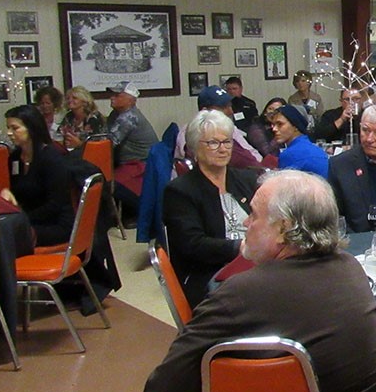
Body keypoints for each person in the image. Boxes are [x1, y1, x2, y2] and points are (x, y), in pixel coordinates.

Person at [131, 170, 376, 392]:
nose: (245, 223)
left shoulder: (241, 294)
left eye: (254, 215)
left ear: (283, 229)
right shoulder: (351, 268)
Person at [162, 110, 260, 307]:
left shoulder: (247, 180)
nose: (223, 149)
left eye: (227, 142)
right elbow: (193, 245)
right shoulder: (180, 191)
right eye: (213, 143)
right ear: (195, 148)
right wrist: (240, 247)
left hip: (255, 264)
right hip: (209, 273)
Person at [0, 105, 74, 246]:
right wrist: (8, 195)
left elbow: (55, 205)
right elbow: (18, 194)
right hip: (30, 220)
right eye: (8, 128)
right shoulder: (15, 158)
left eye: (15, 128)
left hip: (56, 224)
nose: (9, 133)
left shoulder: (51, 158)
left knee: (2, 239)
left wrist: (21, 219)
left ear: (31, 129)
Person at [105, 81, 159, 217]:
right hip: (127, 162)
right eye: (112, 94)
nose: (112, 97)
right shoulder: (115, 114)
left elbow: (108, 143)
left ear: (131, 99)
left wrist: (79, 144)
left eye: (117, 95)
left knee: (107, 184)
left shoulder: (129, 117)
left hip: (141, 163)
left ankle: (145, 211)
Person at [174, 86, 261, 169]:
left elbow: (253, 154)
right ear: (205, 111)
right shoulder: (190, 132)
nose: (231, 111)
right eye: (223, 108)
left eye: (230, 106)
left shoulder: (230, 128)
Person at [270, 103, 328, 178]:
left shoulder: (290, 154)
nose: (274, 129)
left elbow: (285, 188)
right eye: (273, 124)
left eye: (280, 124)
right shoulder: (315, 149)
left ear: (295, 126)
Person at [58, 86, 105, 151]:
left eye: (74, 98)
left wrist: (79, 144)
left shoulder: (94, 117)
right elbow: (59, 135)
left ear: (84, 101)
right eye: (68, 98)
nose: (70, 100)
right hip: (71, 152)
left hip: (92, 154)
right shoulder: (69, 116)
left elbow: (98, 145)